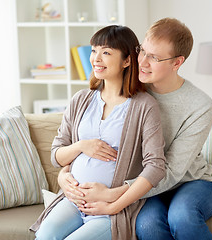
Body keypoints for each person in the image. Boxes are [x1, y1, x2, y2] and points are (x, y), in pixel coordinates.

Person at [58, 18, 212, 240]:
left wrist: (112, 196)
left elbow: (170, 171)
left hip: (190, 182)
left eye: (154, 57)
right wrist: (64, 173)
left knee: (182, 216)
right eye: (142, 51)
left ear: (177, 63)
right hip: (142, 184)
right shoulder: (131, 89)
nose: (143, 62)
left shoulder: (200, 105)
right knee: (147, 225)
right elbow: (90, 134)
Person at [30, 25, 166, 240]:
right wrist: (81, 147)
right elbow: (56, 155)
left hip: (110, 210)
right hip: (73, 201)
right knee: (45, 236)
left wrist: (114, 204)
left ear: (127, 60)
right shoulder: (81, 100)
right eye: (94, 50)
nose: (96, 59)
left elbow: (156, 166)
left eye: (106, 52)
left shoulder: (144, 106)